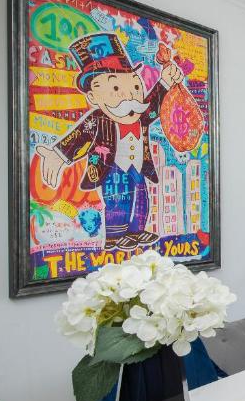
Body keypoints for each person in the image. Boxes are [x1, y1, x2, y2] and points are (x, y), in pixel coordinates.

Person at [35, 33, 183, 250]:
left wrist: (166, 81)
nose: (130, 96)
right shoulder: (97, 120)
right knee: (117, 199)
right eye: (115, 88)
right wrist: (58, 155)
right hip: (111, 168)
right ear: (93, 97)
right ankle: (115, 235)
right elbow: (79, 138)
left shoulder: (140, 116)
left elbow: (153, 106)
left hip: (139, 167)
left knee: (141, 197)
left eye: (135, 87)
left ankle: (137, 229)